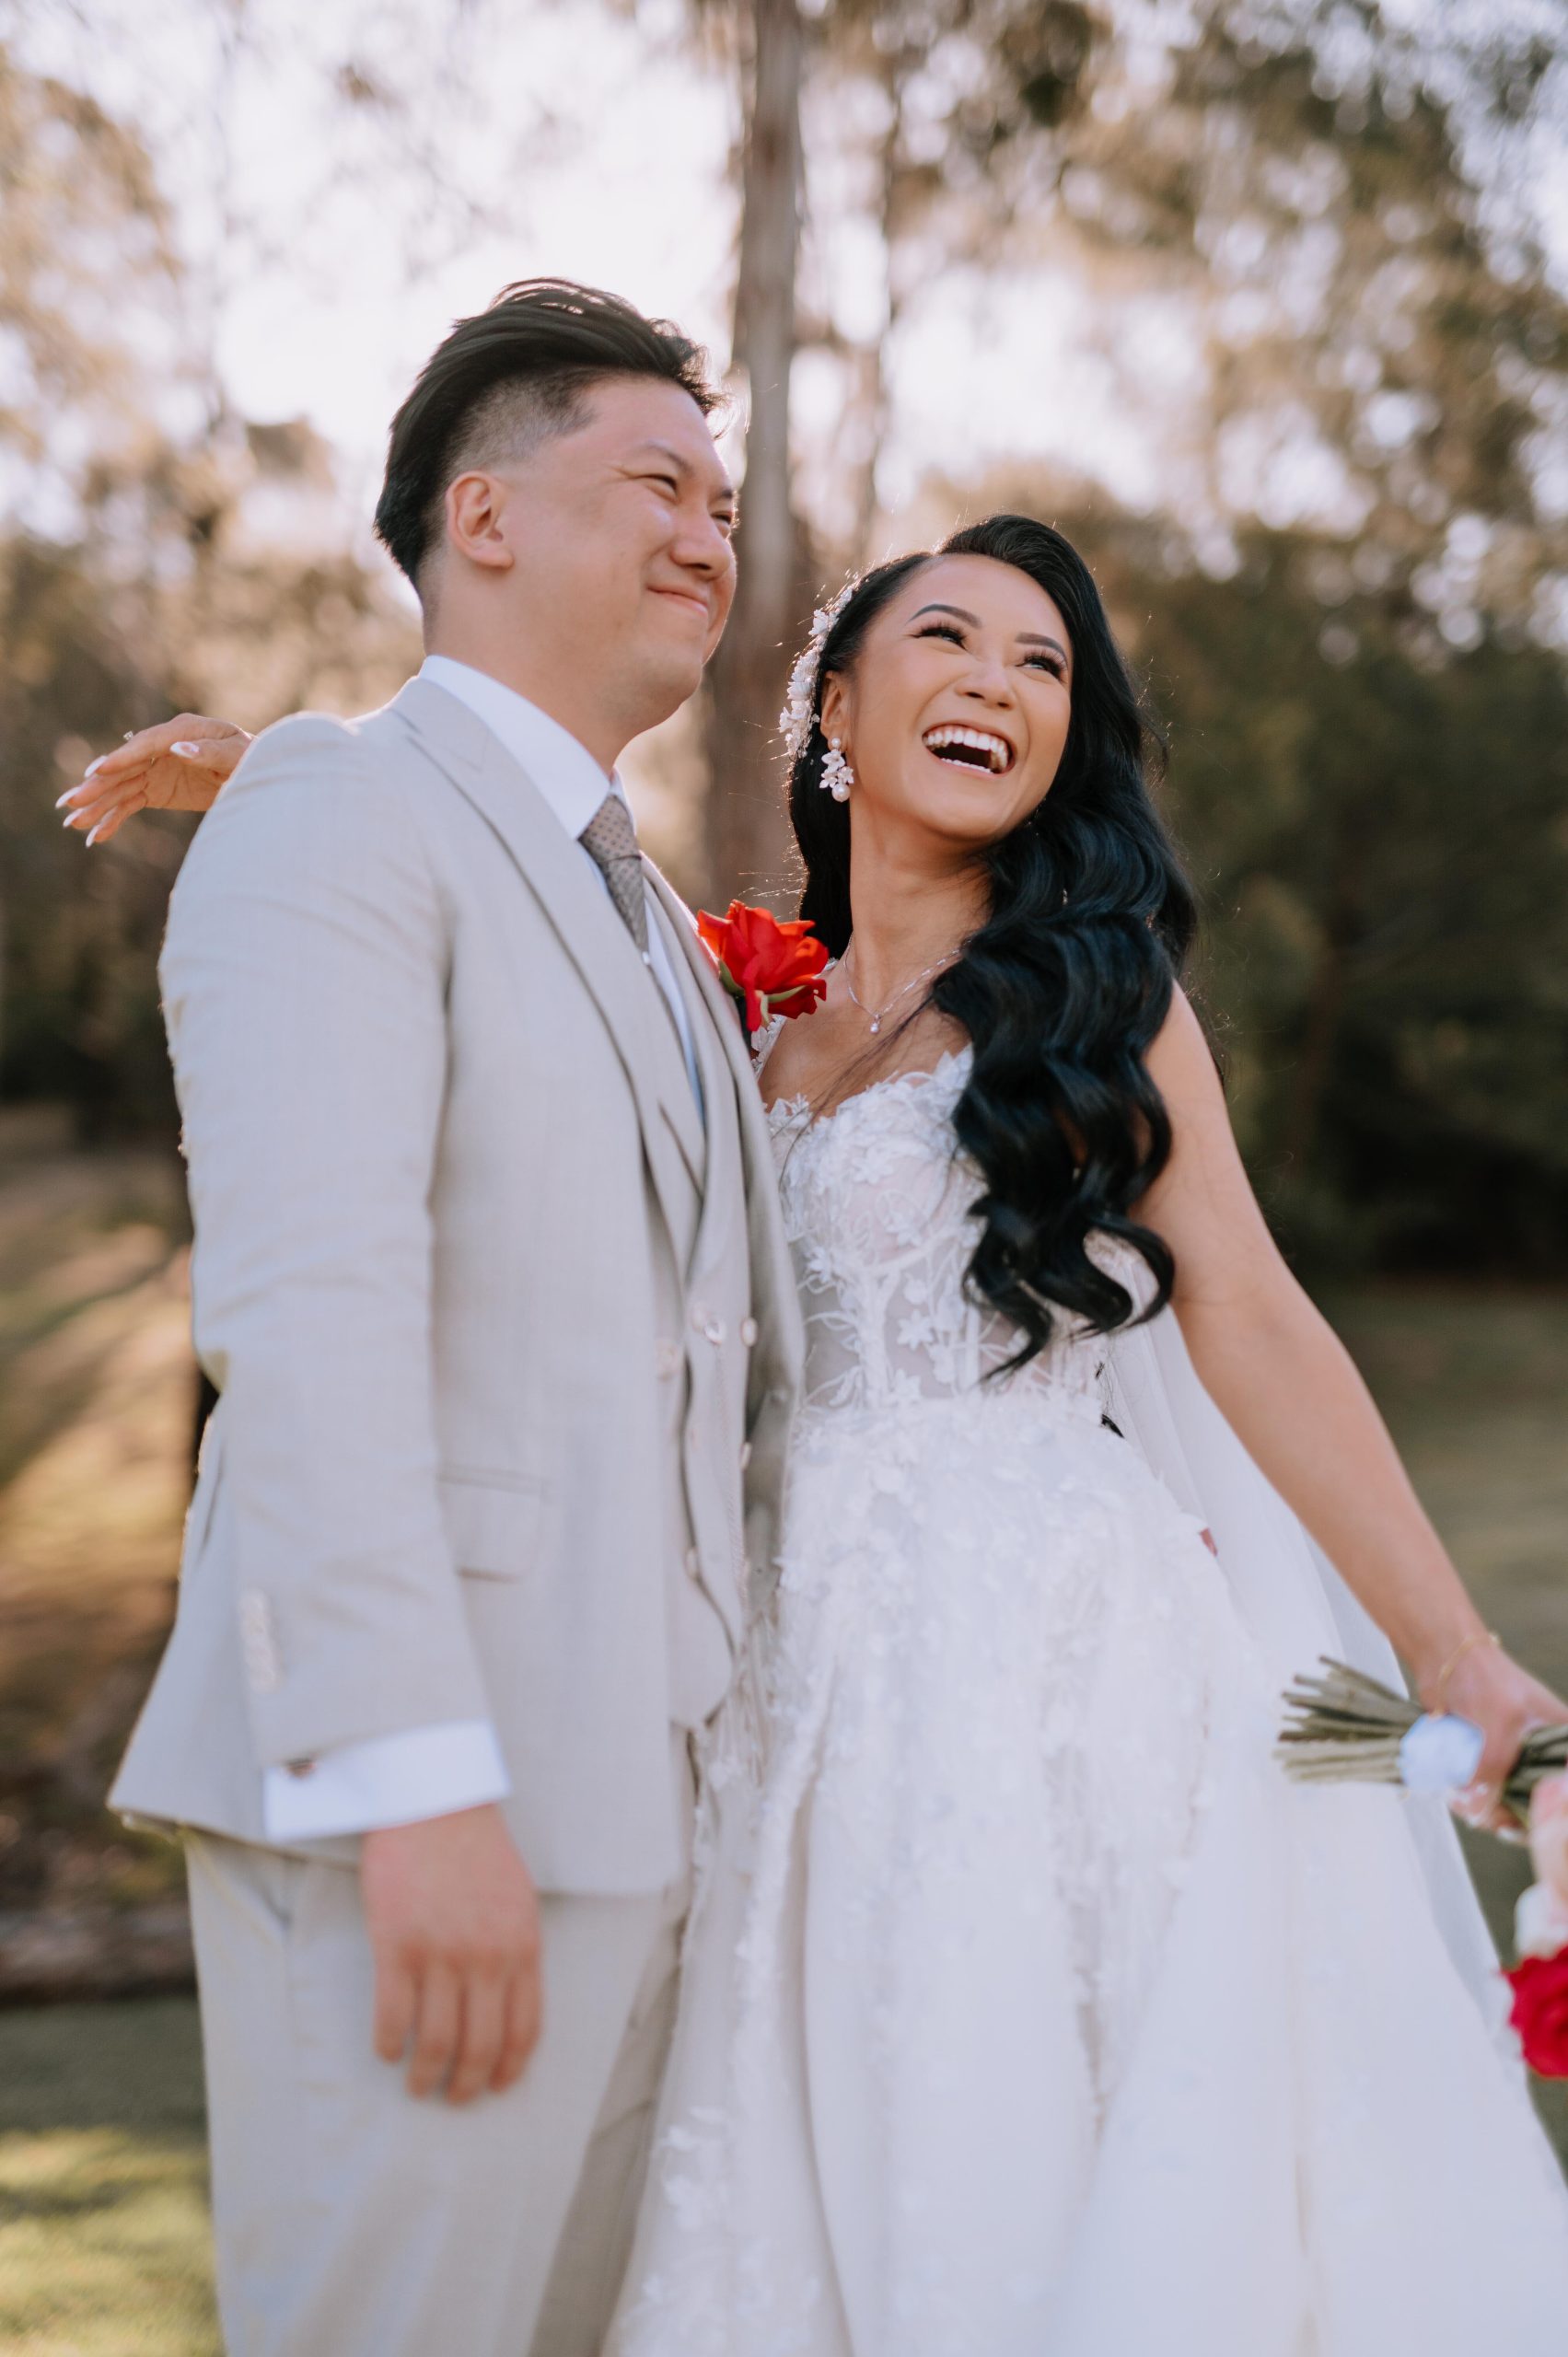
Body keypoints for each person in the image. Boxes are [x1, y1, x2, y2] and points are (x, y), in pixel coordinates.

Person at [77, 505, 1568, 2343]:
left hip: (1047, 1663)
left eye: (1045, 668)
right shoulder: (720, 1006)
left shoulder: (1104, 1008)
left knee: (1022, 2125)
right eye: (951, 639)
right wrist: (283, 771)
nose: (1001, 686)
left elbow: (1250, 1311)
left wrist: (1454, 1651)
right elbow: (497, 883)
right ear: (838, 709)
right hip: (766, 1665)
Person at [100, 278, 802, 2357]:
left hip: (660, 1811)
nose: (711, 534)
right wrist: (418, 1782)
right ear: (480, 517)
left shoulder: (657, 922)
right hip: (438, 1803)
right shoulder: (334, 806)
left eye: (727, 499)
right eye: (657, 481)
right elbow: (304, 1320)